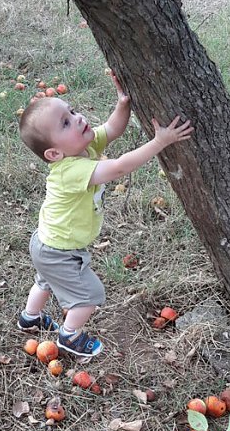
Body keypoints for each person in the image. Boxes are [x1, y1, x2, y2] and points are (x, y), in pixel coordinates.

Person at [17, 73, 194, 358]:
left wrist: (122, 104)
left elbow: (113, 129)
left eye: (71, 112)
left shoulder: (82, 148)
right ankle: (69, 336)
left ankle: (30, 318)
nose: (76, 118)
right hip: (59, 250)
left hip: (46, 243)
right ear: (53, 154)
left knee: (45, 281)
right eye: (65, 123)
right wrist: (161, 142)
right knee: (87, 296)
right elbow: (120, 167)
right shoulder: (69, 171)